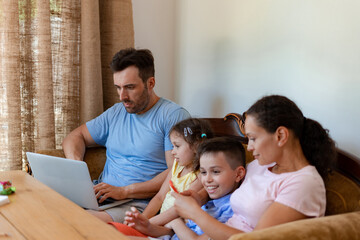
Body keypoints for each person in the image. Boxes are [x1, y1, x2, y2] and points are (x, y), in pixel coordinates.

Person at [171, 95, 336, 240]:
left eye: (253, 138)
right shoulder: (262, 165)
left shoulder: (304, 183)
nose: (249, 147)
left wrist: (194, 213)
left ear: (281, 136)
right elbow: (228, 180)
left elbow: (256, 239)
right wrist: (200, 197)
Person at [62, 48, 191, 223]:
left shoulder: (172, 116)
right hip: (98, 197)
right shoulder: (116, 112)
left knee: (80, 221)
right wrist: (76, 167)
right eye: (118, 88)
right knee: (44, 204)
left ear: (150, 83)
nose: (122, 96)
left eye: (130, 87)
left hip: (137, 204)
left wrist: (124, 191)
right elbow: (75, 137)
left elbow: (175, 171)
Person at [116, 137, 246, 240]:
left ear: (239, 174)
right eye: (203, 172)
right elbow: (172, 232)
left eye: (216, 172)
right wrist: (148, 227)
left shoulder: (232, 209)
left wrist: (176, 222)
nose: (207, 179)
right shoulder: (207, 200)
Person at [109, 118, 215, 237]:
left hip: (176, 226)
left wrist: (147, 223)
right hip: (159, 221)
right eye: (172, 146)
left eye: (177, 146)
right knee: (114, 230)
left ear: (196, 146)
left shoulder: (200, 176)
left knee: (121, 234)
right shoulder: (176, 166)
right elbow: (159, 197)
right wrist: (141, 219)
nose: (172, 152)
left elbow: (177, 209)